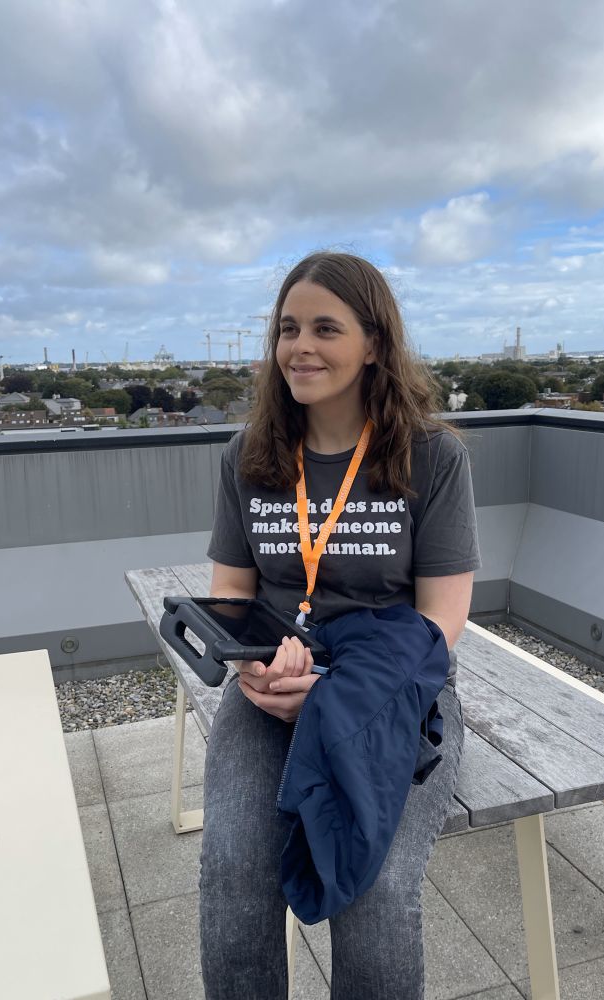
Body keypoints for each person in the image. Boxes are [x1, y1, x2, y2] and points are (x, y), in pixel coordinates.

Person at [200, 251, 481, 1000]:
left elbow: (441, 619)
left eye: (326, 327)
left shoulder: (431, 456)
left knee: (373, 886)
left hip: (387, 693)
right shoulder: (249, 455)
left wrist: (330, 688)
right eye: (289, 328)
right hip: (270, 686)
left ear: (374, 344)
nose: (301, 346)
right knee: (232, 866)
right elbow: (231, 590)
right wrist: (248, 666)